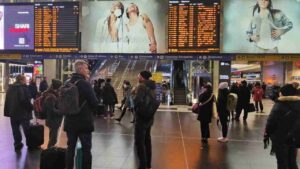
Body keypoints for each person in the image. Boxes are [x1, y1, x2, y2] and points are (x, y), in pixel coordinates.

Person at [64, 60, 98, 169]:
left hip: (70, 121)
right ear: (81, 69)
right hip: (84, 123)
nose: (88, 70)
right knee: (86, 149)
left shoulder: (67, 83)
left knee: (70, 148)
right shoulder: (85, 84)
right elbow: (94, 102)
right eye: (86, 68)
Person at [264, 84, 299, 169]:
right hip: (294, 137)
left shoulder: (280, 105)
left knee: (282, 161)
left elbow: (271, 121)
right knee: (292, 161)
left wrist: (267, 134)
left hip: (280, 137)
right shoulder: (298, 104)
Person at [133, 70, 157, 169]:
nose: (137, 77)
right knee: (147, 141)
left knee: (139, 142)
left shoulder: (141, 86)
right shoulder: (153, 87)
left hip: (141, 117)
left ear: (142, 77)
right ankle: (148, 164)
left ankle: (142, 165)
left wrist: (134, 93)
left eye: (138, 75)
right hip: (149, 117)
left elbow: (137, 101)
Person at [4, 75, 33, 152]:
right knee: (26, 129)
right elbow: (24, 101)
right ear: (22, 80)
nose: (25, 81)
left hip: (13, 112)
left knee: (15, 129)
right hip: (23, 113)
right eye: (25, 79)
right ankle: (30, 144)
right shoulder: (23, 88)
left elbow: (7, 101)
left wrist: (8, 111)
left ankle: (17, 144)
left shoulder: (10, 88)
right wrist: (31, 107)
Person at [43, 79, 63, 148]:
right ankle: (49, 153)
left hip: (54, 120)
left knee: (53, 138)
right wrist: (61, 112)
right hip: (53, 120)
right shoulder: (51, 97)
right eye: (60, 86)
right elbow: (51, 110)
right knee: (53, 139)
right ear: (57, 87)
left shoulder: (53, 95)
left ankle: (50, 151)